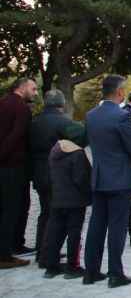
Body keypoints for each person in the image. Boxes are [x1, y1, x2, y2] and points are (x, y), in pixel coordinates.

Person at [83, 75, 131, 287]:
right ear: (119, 92)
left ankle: (91, 271)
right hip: (119, 178)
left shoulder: (91, 115)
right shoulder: (122, 116)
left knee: (96, 224)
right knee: (117, 226)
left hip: (99, 176)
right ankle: (115, 273)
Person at [27, 89, 85, 267]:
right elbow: (82, 138)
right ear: (61, 104)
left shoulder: (34, 122)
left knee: (45, 213)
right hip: (58, 173)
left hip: (38, 172)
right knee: (58, 217)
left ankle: (41, 251)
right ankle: (49, 254)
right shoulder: (63, 122)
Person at [0, 78, 37, 269]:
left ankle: (10, 247)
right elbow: (17, 135)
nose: (35, 92)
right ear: (21, 88)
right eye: (33, 88)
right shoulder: (20, 108)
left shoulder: (3, 102)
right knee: (12, 209)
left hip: (6, 164)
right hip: (13, 165)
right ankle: (6, 253)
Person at [43, 134, 91, 279]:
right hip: (75, 201)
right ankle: (72, 266)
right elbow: (81, 178)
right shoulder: (77, 154)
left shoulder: (55, 151)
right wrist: (89, 193)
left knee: (55, 233)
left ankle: (51, 266)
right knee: (74, 233)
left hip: (57, 199)